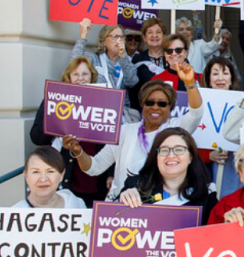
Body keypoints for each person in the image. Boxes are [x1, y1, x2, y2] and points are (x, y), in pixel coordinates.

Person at [61, 71, 204, 201]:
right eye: (149, 102)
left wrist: (190, 83)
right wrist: (78, 151)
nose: (155, 107)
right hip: (122, 205)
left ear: (170, 107)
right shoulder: (125, 131)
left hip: (160, 205)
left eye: (162, 104)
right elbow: (95, 167)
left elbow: (196, 112)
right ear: (142, 104)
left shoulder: (175, 130)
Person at [29, 57, 112, 206]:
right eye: (75, 74)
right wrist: (56, 119)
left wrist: (111, 173)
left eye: (85, 74)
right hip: (66, 174)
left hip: (95, 176)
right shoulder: (54, 100)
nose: (81, 78)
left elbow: (111, 141)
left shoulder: (103, 101)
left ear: (92, 77)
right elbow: (36, 137)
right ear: (68, 77)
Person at [119, 128, 217, 224]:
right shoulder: (135, 186)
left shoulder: (207, 195)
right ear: (156, 156)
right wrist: (123, 202)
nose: (170, 156)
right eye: (164, 150)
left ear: (190, 157)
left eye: (179, 150)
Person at [73, 19, 140, 121]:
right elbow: (74, 66)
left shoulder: (127, 61)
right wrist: (83, 35)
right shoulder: (94, 59)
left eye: (121, 37)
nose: (118, 40)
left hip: (120, 116)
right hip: (96, 111)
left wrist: (123, 56)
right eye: (114, 37)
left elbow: (132, 82)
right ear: (103, 41)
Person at [202, 56, 244, 198]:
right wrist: (208, 155)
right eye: (215, 74)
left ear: (232, 79)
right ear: (208, 79)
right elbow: (191, 141)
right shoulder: (199, 105)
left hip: (234, 168)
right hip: (208, 170)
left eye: (225, 73)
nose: (220, 78)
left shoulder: (243, 104)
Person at [13, 147, 87, 208]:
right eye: (36, 172)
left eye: (50, 171)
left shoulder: (77, 205)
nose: (43, 179)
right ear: (26, 176)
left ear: (61, 175)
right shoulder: (14, 213)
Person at [131, 18, 168, 111]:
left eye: (158, 32)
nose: (154, 35)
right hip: (146, 109)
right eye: (150, 32)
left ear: (164, 36)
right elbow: (133, 89)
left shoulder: (173, 57)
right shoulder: (137, 59)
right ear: (144, 38)